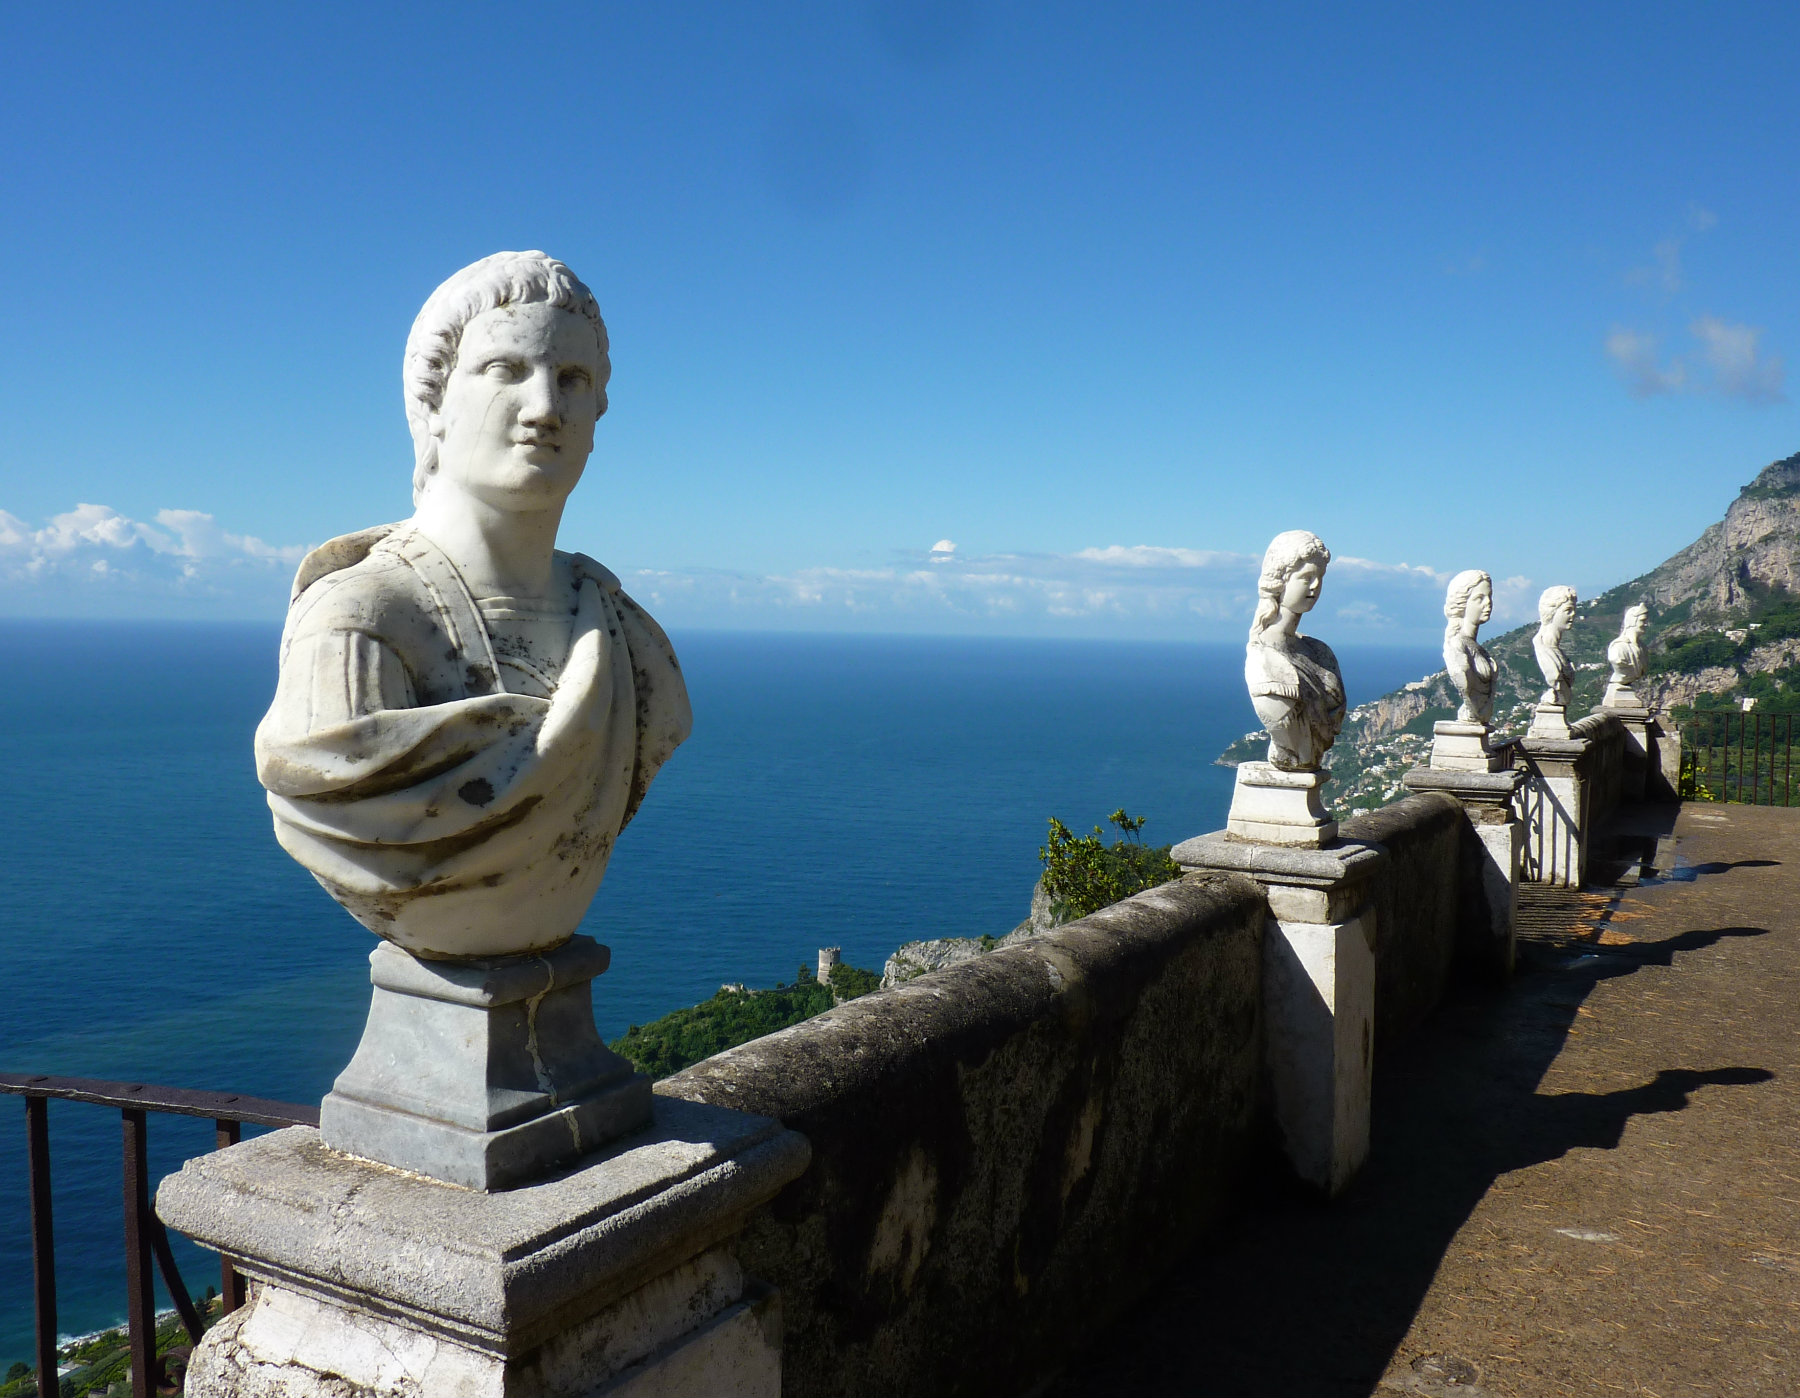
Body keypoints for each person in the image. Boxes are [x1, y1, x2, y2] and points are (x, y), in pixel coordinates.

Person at [254, 252, 691, 960]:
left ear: (598, 411)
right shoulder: (358, 620)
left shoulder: (625, 634)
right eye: (505, 369)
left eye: (572, 379)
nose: (545, 408)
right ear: (433, 403)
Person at [1245, 530, 1345, 770]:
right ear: (1280, 581)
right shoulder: (1263, 659)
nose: (1316, 586)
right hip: (1294, 760)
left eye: (1320, 577)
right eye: (1306, 577)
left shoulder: (1320, 652)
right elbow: (1280, 721)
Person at [1442, 569, 1496, 725]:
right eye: (1480, 598)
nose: (1488, 603)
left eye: (1490, 596)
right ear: (1462, 603)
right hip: (1473, 715)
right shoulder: (1456, 645)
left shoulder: (1478, 648)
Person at [1533, 584, 1578, 708]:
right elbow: (1553, 675)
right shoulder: (1542, 647)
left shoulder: (1557, 649)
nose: (1573, 614)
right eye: (1568, 610)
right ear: (1552, 612)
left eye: (1574, 610)